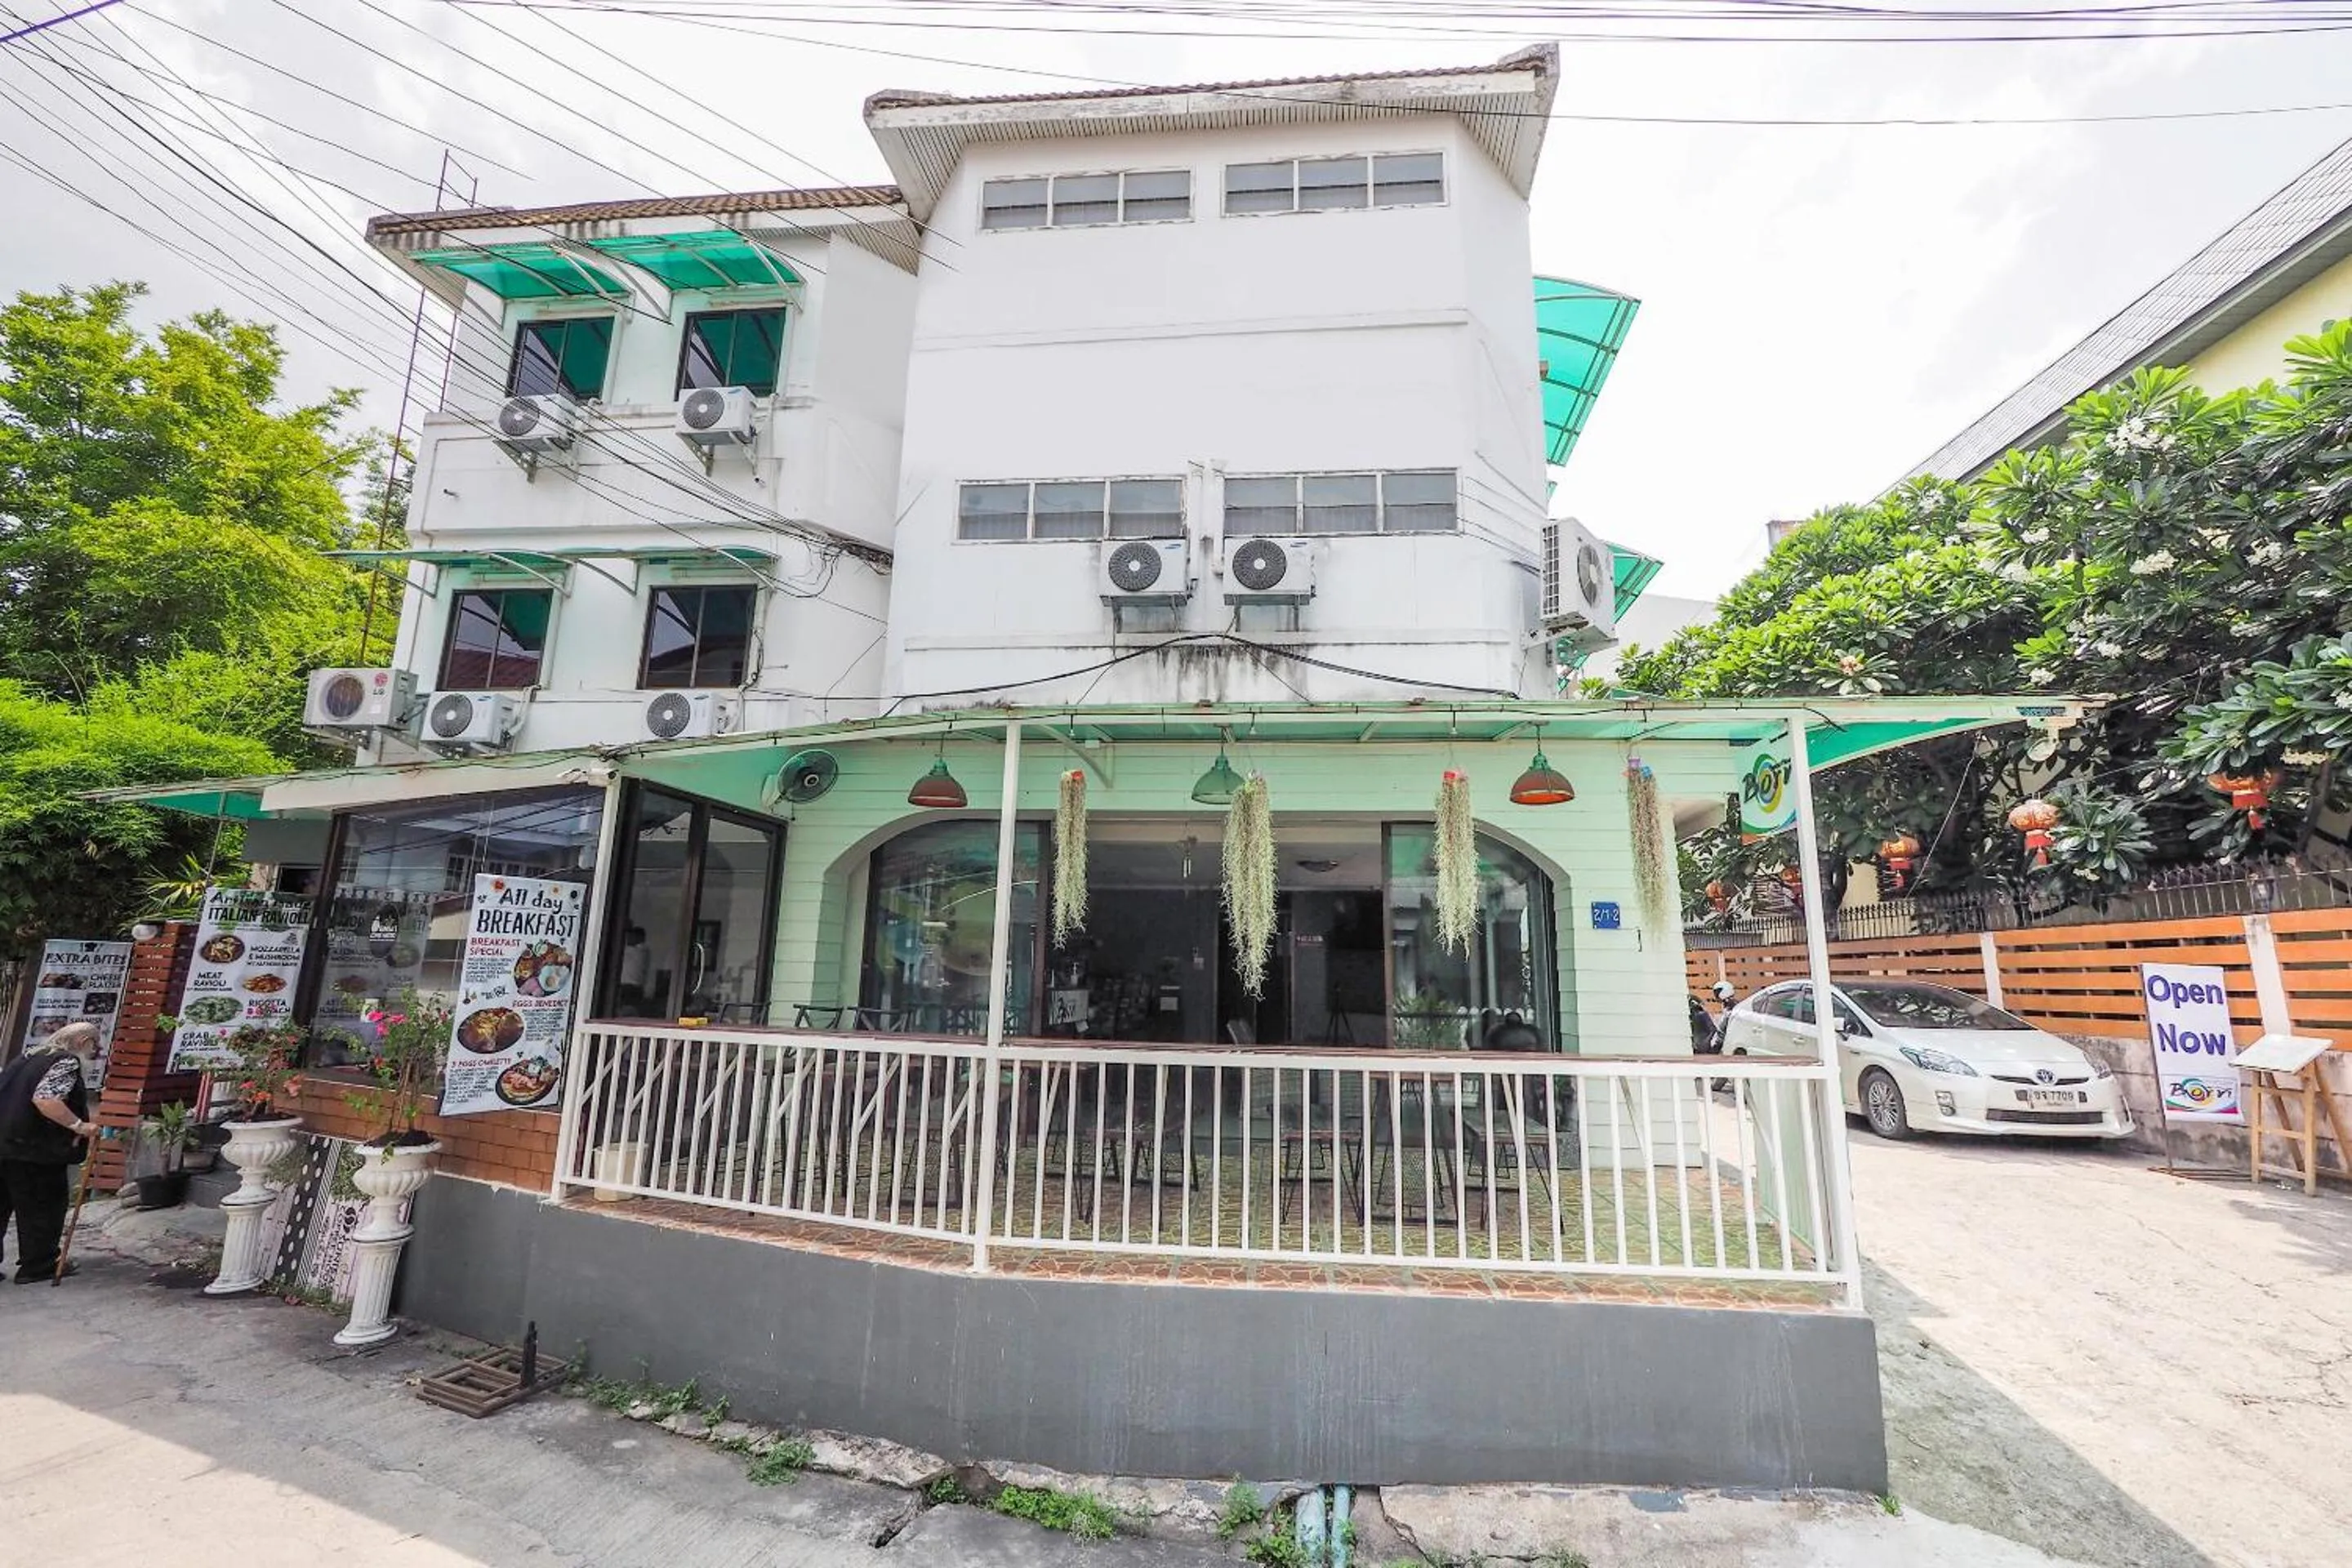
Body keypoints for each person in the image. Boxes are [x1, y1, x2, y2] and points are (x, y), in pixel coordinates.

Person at [0, 1020, 102, 1283]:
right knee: (41, 1207)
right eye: (95, 1047)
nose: (96, 1054)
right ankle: (39, 1265)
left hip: (5, 1142)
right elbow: (46, 1099)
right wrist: (80, 1126)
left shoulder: (27, 1057)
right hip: (35, 1149)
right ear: (83, 1042)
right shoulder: (65, 1061)